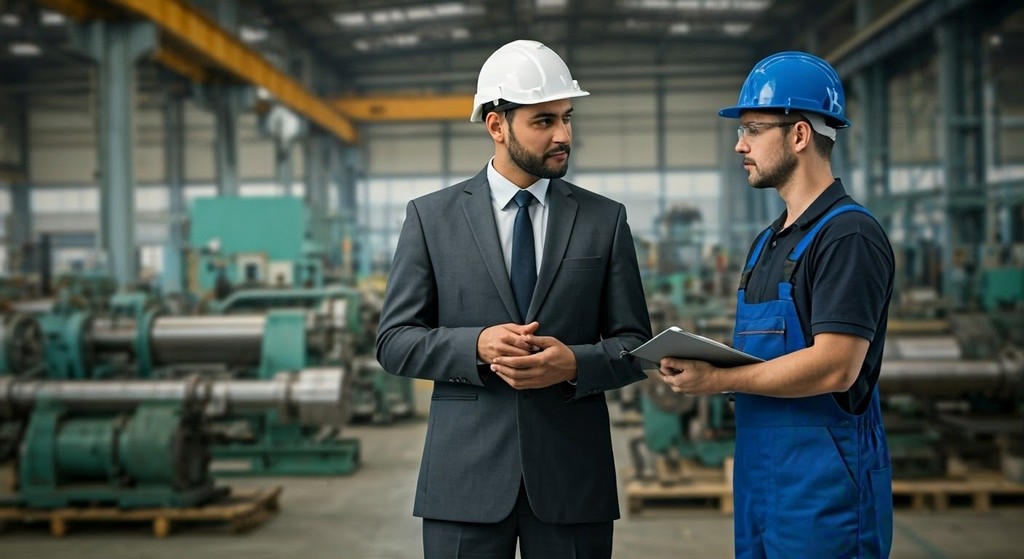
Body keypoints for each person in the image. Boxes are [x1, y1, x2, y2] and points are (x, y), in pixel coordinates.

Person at [375, 39, 651, 559]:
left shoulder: (604, 220)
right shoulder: (431, 219)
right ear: (496, 125)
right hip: (464, 482)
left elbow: (636, 344)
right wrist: (476, 345)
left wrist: (575, 363)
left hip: (572, 480)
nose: (564, 135)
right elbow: (394, 342)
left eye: (567, 118)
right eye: (543, 121)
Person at [656, 51, 895, 558]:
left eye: (754, 129)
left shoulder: (848, 235)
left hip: (825, 490)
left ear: (800, 135)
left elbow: (836, 366)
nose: (739, 145)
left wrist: (718, 379)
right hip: (761, 484)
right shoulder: (769, 242)